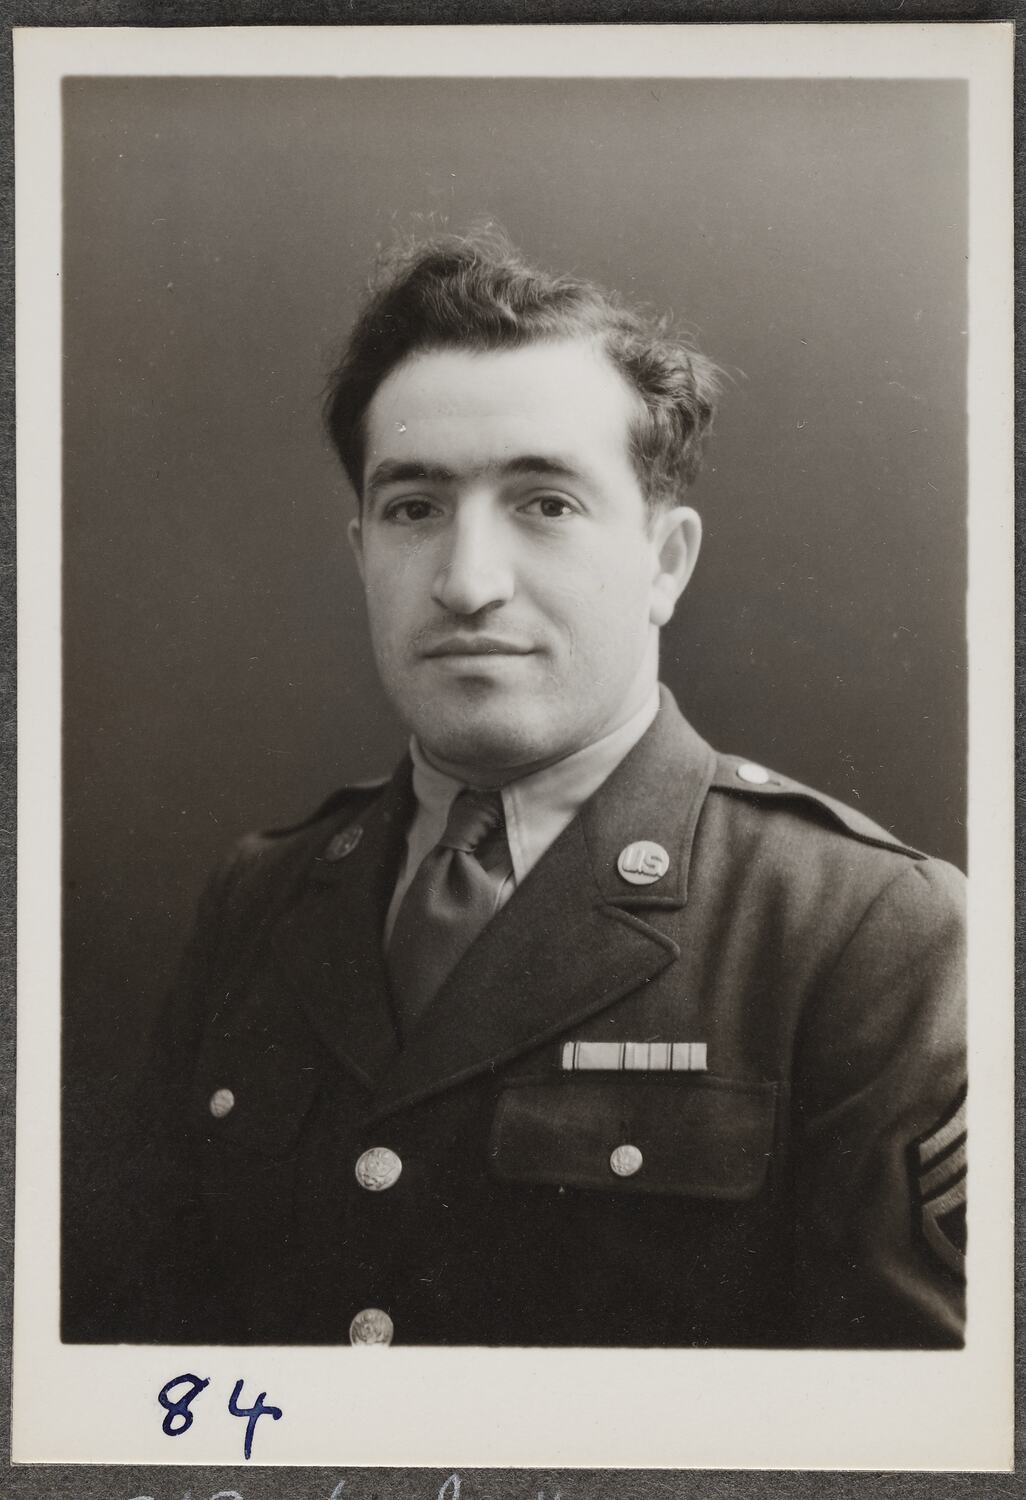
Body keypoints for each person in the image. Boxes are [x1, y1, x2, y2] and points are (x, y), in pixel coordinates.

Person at [124, 232, 966, 1348]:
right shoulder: (259, 897)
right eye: (414, 508)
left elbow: (905, 1423)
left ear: (666, 562)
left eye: (547, 504)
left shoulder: (865, 931)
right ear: (363, 552)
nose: (468, 583)